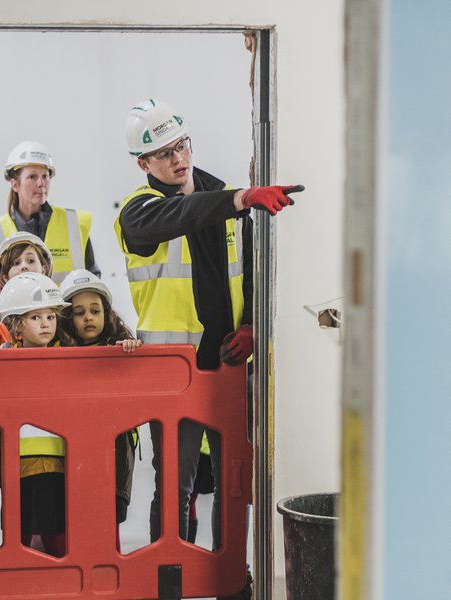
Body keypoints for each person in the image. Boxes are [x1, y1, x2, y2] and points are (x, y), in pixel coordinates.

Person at [115, 98, 304, 598]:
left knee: (233, 486)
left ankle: (230, 583)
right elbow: (177, 214)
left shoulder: (223, 195)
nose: (178, 159)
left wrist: (249, 326)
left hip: (227, 370)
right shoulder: (138, 211)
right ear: (144, 164)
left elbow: (255, 273)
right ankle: (169, 582)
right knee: (174, 487)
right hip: (172, 376)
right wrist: (240, 199)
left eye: (182, 145)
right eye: (163, 153)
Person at [58, 269, 141, 552]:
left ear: (107, 313)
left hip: (114, 454)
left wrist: (130, 351)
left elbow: (137, 381)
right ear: (68, 318)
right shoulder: (60, 354)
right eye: (79, 312)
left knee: (108, 526)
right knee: (72, 522)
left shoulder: (118, 348)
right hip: (75, 452)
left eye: (95, 310)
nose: (88, 317)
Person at [0, 272, 72, 557]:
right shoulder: (3, 363)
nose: (45, 324)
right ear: (17, 324)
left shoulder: (67, 358)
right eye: (35, 317)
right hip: (17, 463)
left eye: (51, 317)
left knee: (57, 532)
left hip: (56, 461)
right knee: (18, 533)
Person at [0, 141, 99, 283]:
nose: (41, 183)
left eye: (45, 176)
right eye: (32, 177)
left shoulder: (74, 224)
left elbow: (93, 278)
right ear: (15, 184)